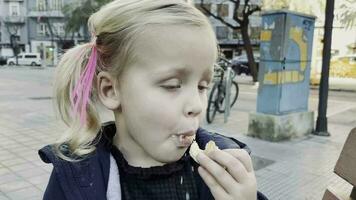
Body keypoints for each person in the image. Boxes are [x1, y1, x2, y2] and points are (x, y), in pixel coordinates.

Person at [39, 0, 268, 199]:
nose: (197, 106)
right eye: (172, 85)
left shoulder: (219, 172)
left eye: (202, 86)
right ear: (111, 90)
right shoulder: (74, 180)